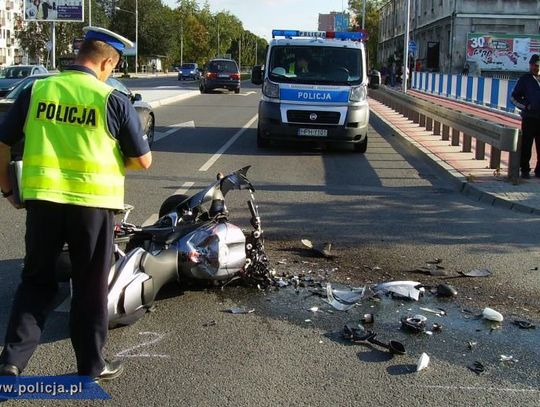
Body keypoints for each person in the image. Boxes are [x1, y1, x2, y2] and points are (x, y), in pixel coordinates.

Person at [0, 26, 152, 381]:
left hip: (43, 202)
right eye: (113, 67)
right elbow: (143, 160)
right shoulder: (112, 99)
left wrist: (8, 189)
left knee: (36, 281)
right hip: (93, 206)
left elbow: (3, 143)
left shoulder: (39, 89)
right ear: (107, 62)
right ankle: (92, 365)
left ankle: (11, 362)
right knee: (89, 285)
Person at [511, 54, 540, 179]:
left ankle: (539, 171)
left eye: (538, 65)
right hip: (529, 118)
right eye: (534, 65)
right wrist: (526, 106)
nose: (536, 68)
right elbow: (514, 97)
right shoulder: (525, 79)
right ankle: (525, 170)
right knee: (526, 146)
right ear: (530, 65)